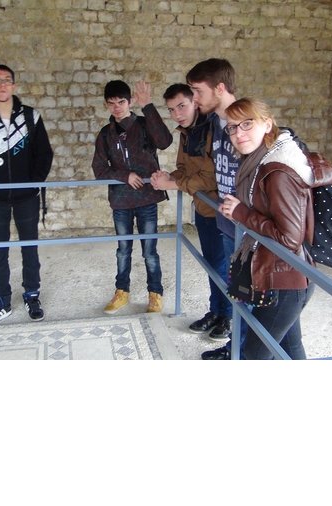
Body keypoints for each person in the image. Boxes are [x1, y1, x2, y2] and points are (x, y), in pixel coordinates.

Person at [219, 98, 332, 359]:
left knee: (255, 355)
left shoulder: (278, 170)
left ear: (267, 124)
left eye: (247, 124)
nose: (238, 133)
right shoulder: (261, 160)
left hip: (285, 280)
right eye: (232, 127)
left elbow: (289, 237)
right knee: (290, 350)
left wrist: (241, 213)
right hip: (284, 274)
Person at [0, 64, 54, 325]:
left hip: (27, 197)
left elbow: (44, 154)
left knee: (30, 248)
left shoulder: (31, 116)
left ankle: (32, 295)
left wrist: (33, 183)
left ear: (14, 85)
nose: (2, 84)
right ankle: (1, 302)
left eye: (7, 80)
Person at [150, 83, 231, 341]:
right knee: (212, 265)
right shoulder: (187, 132)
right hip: (203, 208)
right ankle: (216, 312)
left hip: (223, 210)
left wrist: (173, 184)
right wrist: (169, 176)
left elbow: (210, 177)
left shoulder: (214, 129)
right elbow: (184, 168)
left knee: (224, 267)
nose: (177, 114)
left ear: (195, 102)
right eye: (171, 110)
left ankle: (228, 317)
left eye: (181, 106)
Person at [92, 80, 173, 315]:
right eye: (111, 103)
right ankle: (122, 292)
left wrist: (148, 107)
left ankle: (155, 294)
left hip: (146, 198)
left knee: (150, 251)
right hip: (121, 201)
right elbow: (99, 169)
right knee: (123, 250)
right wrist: (124, 175)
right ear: (106, 105)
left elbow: (165, 141)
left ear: (130, 102)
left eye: (121, 102)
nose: (117, 107)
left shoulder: (145, 124)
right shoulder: (105, 134)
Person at [185, 58, 242, 359]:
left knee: (249, 294)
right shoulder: (217, 123)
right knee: (233, 284)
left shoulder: (245, 122)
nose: (194, 99)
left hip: (248, 226)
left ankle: (239, 351)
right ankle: (236, 345)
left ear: (219, 88)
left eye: (198, 91)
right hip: (228, 220)